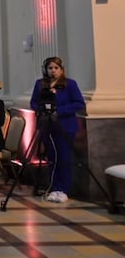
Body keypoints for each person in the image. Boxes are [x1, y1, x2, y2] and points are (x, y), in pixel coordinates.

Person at [30, 57, 86, 203]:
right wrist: (42, 110)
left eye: (56, 68)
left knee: (64, 158)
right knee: (52, 158)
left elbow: (78, 103)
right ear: (46, 70)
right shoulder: (40, 84)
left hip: (65, 126)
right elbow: (34, 102)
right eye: (50, 68)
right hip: (47, 126)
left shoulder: (70, 84)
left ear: (61, 69)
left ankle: (64, 189)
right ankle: (54, 188)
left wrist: (59, 111)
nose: (53, 71)